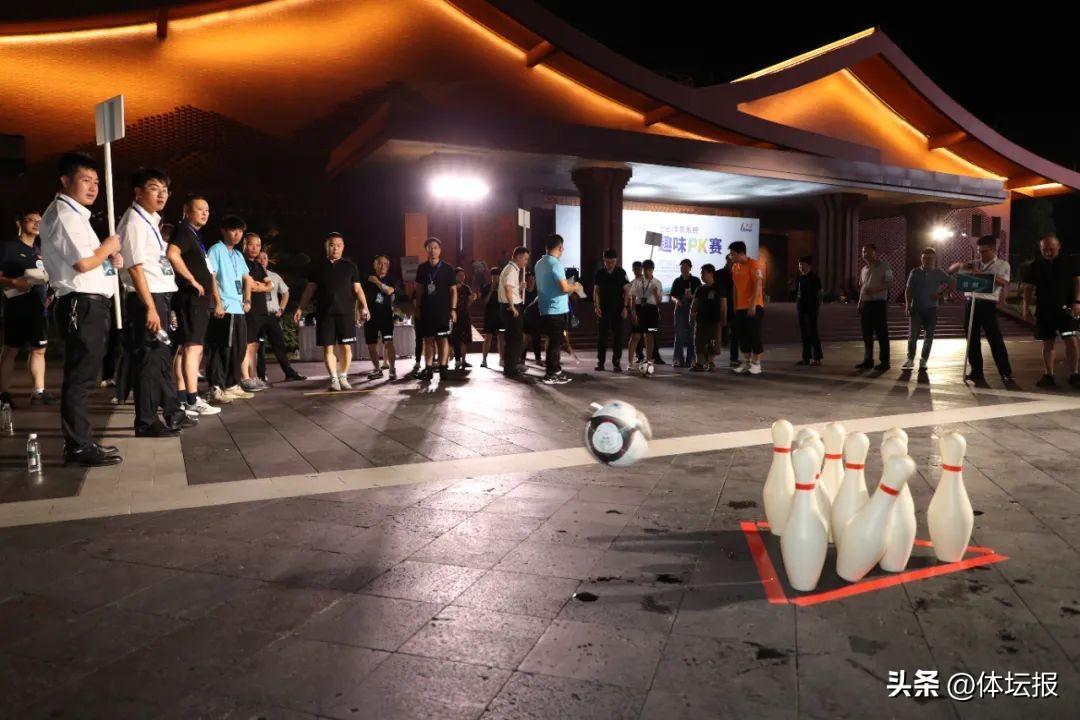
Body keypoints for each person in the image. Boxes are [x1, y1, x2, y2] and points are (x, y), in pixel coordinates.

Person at [38, 152, 123, 466]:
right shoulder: (65, 215)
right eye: (85, 180)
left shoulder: (76, 215)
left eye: (96, 182)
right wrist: (107, 248)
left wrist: (111, 261)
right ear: (65, 180)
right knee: (80, 377)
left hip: (90, 302)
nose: (93, 187)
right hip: (80, 303)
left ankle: (82, 442)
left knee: (85, 374)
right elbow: (83, 263)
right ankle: (77, 446)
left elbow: (93, 262)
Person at [117, 167, 194, 437]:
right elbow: (135, 268)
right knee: (150, 360)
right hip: (146, 298)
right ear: (138, 192)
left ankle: (172, 411)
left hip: (159, 296)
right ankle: (146, 422)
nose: (161, 195)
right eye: (154, 188)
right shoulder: (134, 222)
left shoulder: (149, 220)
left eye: (165, 190)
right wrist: (150, 307)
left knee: (160, 358)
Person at [293, 232, 370, 391]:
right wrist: (300, 308)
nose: (335, 248)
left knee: (346, 347)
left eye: (338, 245)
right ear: (326, 247)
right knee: (328, 348)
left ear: (343, 247)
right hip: (325, 313)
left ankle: (343, 376)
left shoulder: (350, 266)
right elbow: (309, 290)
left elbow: (358, 289)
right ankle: (334, 378)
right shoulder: (318, 267)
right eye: (332, 245)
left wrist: (365, 307)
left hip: (345, 313)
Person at [166, 194, 221, 415]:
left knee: (186, 348)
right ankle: (192, 398)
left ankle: (182, 398)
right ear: (187, 211)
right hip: (191, 298)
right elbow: (172, 254)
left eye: (207, 210)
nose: (205, 213)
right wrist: (191, 280)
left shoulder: (193, 234)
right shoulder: (183, 230)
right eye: (200, 209)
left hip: (194, 299)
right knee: (193, 347)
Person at [0, 209, 58, 407]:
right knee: (11, 350)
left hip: (38, 309)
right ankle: (3, 393)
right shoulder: (8, 248)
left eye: (39, 221)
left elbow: (47, 277)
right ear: (20, 223)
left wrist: (50, 295)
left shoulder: (41, 251)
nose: (36, 224)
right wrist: (14, 282)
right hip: (16, 307)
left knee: (39, 349)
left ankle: (38, 392)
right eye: (31, 220)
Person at [949, 235, 1013, 384]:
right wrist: (960, 265)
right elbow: (950, 270)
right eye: (979, 251)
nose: (981, 255)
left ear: (993, 249)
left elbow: (1003, 282)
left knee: (995, 338)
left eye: (984, 251)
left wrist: (981, 274)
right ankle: (976, 371)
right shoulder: (974, 263)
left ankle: (1005, 372)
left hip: (987, 304)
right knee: (972, 339)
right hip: (971, 303)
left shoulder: (1002, 264)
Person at [240, 233, 300, 390]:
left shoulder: (258, 267)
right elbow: (249, 285)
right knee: (248, 345)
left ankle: (254, 377)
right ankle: (246, 378)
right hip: (250, 310)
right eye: (251, 244)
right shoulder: (241, 262)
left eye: (258, 245)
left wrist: (259, 286)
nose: (255, 248)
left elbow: (270, 285)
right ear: (245, 245)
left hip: (263, 311)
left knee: (255, 346)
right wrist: (259, 286)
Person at [205, 215, 255, 403]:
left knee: (238, 349)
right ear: (224, 231)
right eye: (233, 230)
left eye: (240, 231)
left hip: (238, 307)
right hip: (224, 307)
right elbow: (211, 276)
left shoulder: (238, 255)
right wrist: (217, 302)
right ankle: (216, 387)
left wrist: (247, 300)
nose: (237, 234)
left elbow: (247, 278)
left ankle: (232, 384)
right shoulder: (216, 250)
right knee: (221, 349)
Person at [1021, 235, 1079, 388]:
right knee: (1048, 343)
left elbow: (1077, 281)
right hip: (1044, 311)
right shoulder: (1035, 265)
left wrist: (1077, 302)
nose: (1048, 253)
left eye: (1051, 249)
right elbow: (1028, 288)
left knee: (1071, 340)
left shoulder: (1069, 262)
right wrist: (1025, 308)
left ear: (1059, 246)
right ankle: (1048, 375)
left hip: (1066, 311)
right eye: (1044, 250)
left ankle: (1074, 374)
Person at [534, 234, 581, 384]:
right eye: (563, 247)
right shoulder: (556, 264)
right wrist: (575, 286)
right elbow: (564, 288)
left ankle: (556, 371)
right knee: (555, 344)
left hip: (544, 308)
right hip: (556, 310)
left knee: (552, 342)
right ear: (560, 247)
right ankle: (551, 374)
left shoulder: (539, 263)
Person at [256, 250, 305, 383]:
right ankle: (261, 375)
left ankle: (289, 373)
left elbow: (285, 292)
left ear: (268, 261)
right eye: (259, 258)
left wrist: (281, 308)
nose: (262, 260)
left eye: (265, 258)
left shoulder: (274, 276)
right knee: (259, 347)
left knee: (279, 345)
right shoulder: (251, 275)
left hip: (272, 315)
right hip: (257, 316)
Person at [412, 237, 456, 381]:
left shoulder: (448, 268)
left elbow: (453, 290)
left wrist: (453, 309)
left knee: (442, 340)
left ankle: (443, 368)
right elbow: (419, 289)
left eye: (435, 247)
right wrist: (417, 308)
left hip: (443, 311)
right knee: (428, 340)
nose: (433, 250)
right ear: (426, 250)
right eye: (430, 248)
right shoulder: (422, 268)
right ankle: (429, 369)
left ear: (440, 250)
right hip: (426, 310)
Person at [903, 247, 952, 371]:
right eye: (924, 258)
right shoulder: (915, 272)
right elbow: (908, 289)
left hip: (931, 309)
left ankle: (924, 360)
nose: (927, 261)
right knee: (912, 335)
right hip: (916, 308)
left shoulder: (939, 272)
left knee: (928, 336)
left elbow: (952, 282)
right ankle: (910, 359)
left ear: (935, 259)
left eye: (930, 258)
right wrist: (908, 305)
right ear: (921, 259)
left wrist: (940, 294)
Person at [730, 240, 766, 375]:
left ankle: (757, 364)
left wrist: (753, 304)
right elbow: (735, 287)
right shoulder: (735, 267)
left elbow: (758, 285)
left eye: (733, 254)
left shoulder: (754, 264)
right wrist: (735, 305)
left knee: (754, 334)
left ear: (741, 253)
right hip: (740, 307)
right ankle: (746, 362)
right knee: (742, 336)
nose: (731, 257)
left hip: (755, 306)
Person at [856, 243, 892, 371]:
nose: (865, 254)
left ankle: (885, 362)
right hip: (866, 305)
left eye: (868, 251)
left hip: (878, 303)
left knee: (881, 333)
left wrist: (875, 290)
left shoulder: (884, 266)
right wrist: (860, 302)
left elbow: (890, 283)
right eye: (863, 251)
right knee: (866, 334)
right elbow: (863, 287)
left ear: (875, 253)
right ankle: (868, 360)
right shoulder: (863, 269)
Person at [592, 249, 628, 372]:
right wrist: (596, 306)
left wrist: (625, 307)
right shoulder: (600, 273)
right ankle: (600, 362)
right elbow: (596, 291)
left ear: (616, 261)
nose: (610, 264)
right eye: (607, 262)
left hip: (618, 310)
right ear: (604, 260)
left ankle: (616, 363)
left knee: (618, 337)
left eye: (612, 262)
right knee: (602, 337)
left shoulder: (621, 273)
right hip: (603, 310)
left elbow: (627, 291)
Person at [363, 254, 397, 380]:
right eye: (379, 263)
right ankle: (377, 370)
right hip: (370, 317)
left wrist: (377, 281)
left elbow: (389, 291)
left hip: (386, 317)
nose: (382, 266)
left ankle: (392, 369)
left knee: (388, 342)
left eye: (385, 264)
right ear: (374, 265)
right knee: (371, 345)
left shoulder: (392, 279)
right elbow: (361, 296)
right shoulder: (367, 279)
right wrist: (359, 312)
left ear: (388, 266)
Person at [627, 259, 663, 375]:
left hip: (652, 312)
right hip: (639, 310)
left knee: (650, 336)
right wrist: (633, 313)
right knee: (635, 336)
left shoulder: (657, 283)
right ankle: (630, 363)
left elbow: (659, 301)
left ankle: (648, 362)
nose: (647, 272)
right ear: (642, 269)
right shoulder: (637, 282)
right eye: (645, 269)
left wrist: (655, 293)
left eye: (649, 270)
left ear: (653, 270)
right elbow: (632, 299)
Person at [499, 246, 529, 379]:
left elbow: (511, 288)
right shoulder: (511, 269)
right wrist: (512, 306)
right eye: (525, 259)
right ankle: (511, 368)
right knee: (515, 339)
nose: (526, 262)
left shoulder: (511, 269)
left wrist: (520, 287)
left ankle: (510, 367)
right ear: (518, 257)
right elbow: (508, 288)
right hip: (511, 307)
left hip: (510, 305)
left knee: (513, 338)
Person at [690, 263, 726, 371]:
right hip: (701, 320)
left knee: (713, 342)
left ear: (711, 273)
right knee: (699, 342)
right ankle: (699, 364)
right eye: (701, 273)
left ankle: (711, 363)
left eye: (703, 273)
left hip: (714, 320)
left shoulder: (719, 288)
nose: (701, 275)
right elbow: (695, 303)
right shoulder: (700, 289)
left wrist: (724, 318)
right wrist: (691, 314)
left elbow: (723, 305)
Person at [669, 258, 701, 368]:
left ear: (690, 268)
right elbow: (672, 295)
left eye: (685, 266)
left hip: (692, 309)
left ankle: (691, 359)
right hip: (680, 308)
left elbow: (700, 295)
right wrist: (676, 301)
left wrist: (692, 296)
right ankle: (678, 359)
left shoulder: (696, 280)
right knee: (679, 335)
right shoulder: (677, 281)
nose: (683, 268)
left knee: (692, 335)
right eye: (681, 267)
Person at [794, 255, 823, 366]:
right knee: (804, 334)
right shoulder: (800, 278)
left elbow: (820, 293)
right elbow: (798, 293)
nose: (801, 267)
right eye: (799, 265)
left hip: (811, 310)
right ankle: (806, 358)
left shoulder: (814, 278)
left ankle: (817, 358)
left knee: (812, 333)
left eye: (803, 265)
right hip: (801, 309)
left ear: (809, 266)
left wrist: (816, 306)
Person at [452, 266, 477, 370]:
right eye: (460, 275)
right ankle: (457, 360)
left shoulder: (466, 288)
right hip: (454, 316)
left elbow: (468, 304)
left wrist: (472, 299)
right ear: (455, 276)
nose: (462, 277)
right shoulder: (451, 287)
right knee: (455, 338)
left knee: (465, 339)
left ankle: (463, 360)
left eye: (463, 275)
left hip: (465, 316)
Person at [717, 253, 738, 368]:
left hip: (735, 307)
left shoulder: (738, 273)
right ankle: (709, 359)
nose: (733, 262)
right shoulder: (719, 274)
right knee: (715, 334)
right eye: (731, 260)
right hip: (720, 307)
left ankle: (734, 359)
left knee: (735, 334)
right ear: (727, 261)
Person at [480, 266, 503, 369]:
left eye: (497, 276)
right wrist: (491, 290)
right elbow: (484, 302)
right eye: (494, 277)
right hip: (489, 316)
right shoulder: (486, 287)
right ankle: (484, 360)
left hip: (501, 317)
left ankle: (502, 359)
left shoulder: (503, 288)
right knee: (487, 338)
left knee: (501, 338)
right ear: (491, 277)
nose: (496, 278)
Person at [522, 272, 541, 364]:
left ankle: (538, 359)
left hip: (536, 319)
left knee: (537, 339)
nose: (531, 282)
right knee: (525, 340)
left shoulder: (537, 293)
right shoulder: (523, 293)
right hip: (526, 320)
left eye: (533, 280)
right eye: (529, 280)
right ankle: (522, 358)